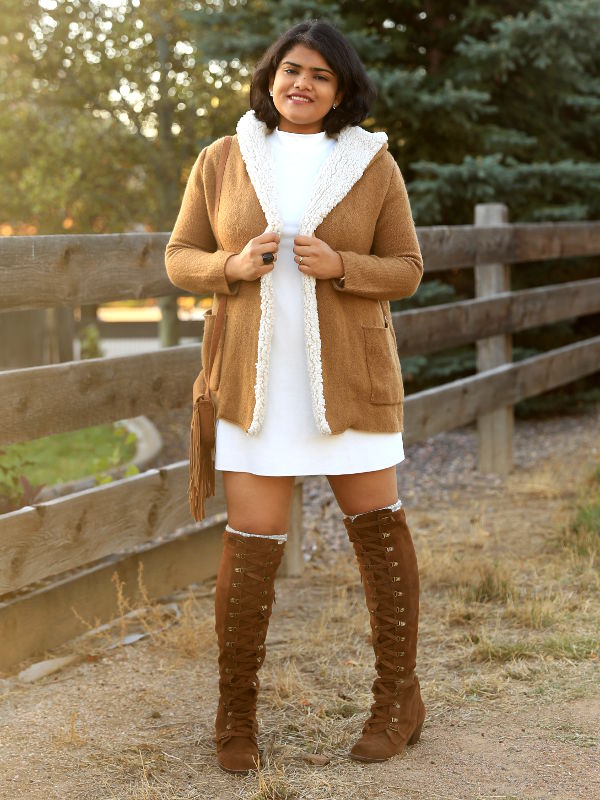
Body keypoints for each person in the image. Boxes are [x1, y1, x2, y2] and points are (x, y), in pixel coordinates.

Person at [165, 19, 425, 775]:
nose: (300, 84)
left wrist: (345, 263)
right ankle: (235, 717)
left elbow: (406, 267)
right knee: (249, 547)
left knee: (378, 530)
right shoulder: (222, 159)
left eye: (319, 74)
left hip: (350, 382)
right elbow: (180, 256)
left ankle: (399, 700)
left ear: (341, 89)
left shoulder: (372, 164)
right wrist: (230, 264)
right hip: (252, 388)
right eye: (289, 70)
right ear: (269, 76)